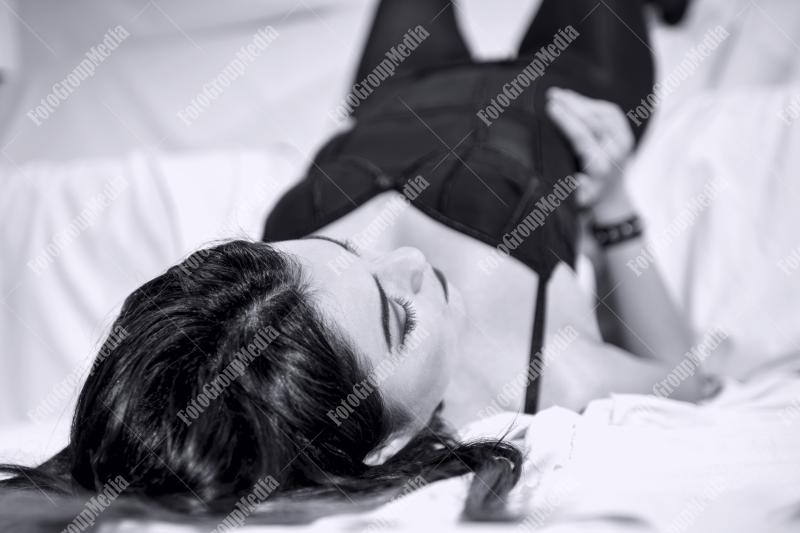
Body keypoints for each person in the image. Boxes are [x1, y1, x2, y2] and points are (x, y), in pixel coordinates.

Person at [1, 0, 698, 527]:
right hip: (577, 82)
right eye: (399, 318)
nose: (406, 258)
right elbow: (690, 378)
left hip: (399, 84)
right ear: (381, 443)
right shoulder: (533, 368)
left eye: (345, 249)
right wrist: (613, 204)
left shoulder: (268, 314)